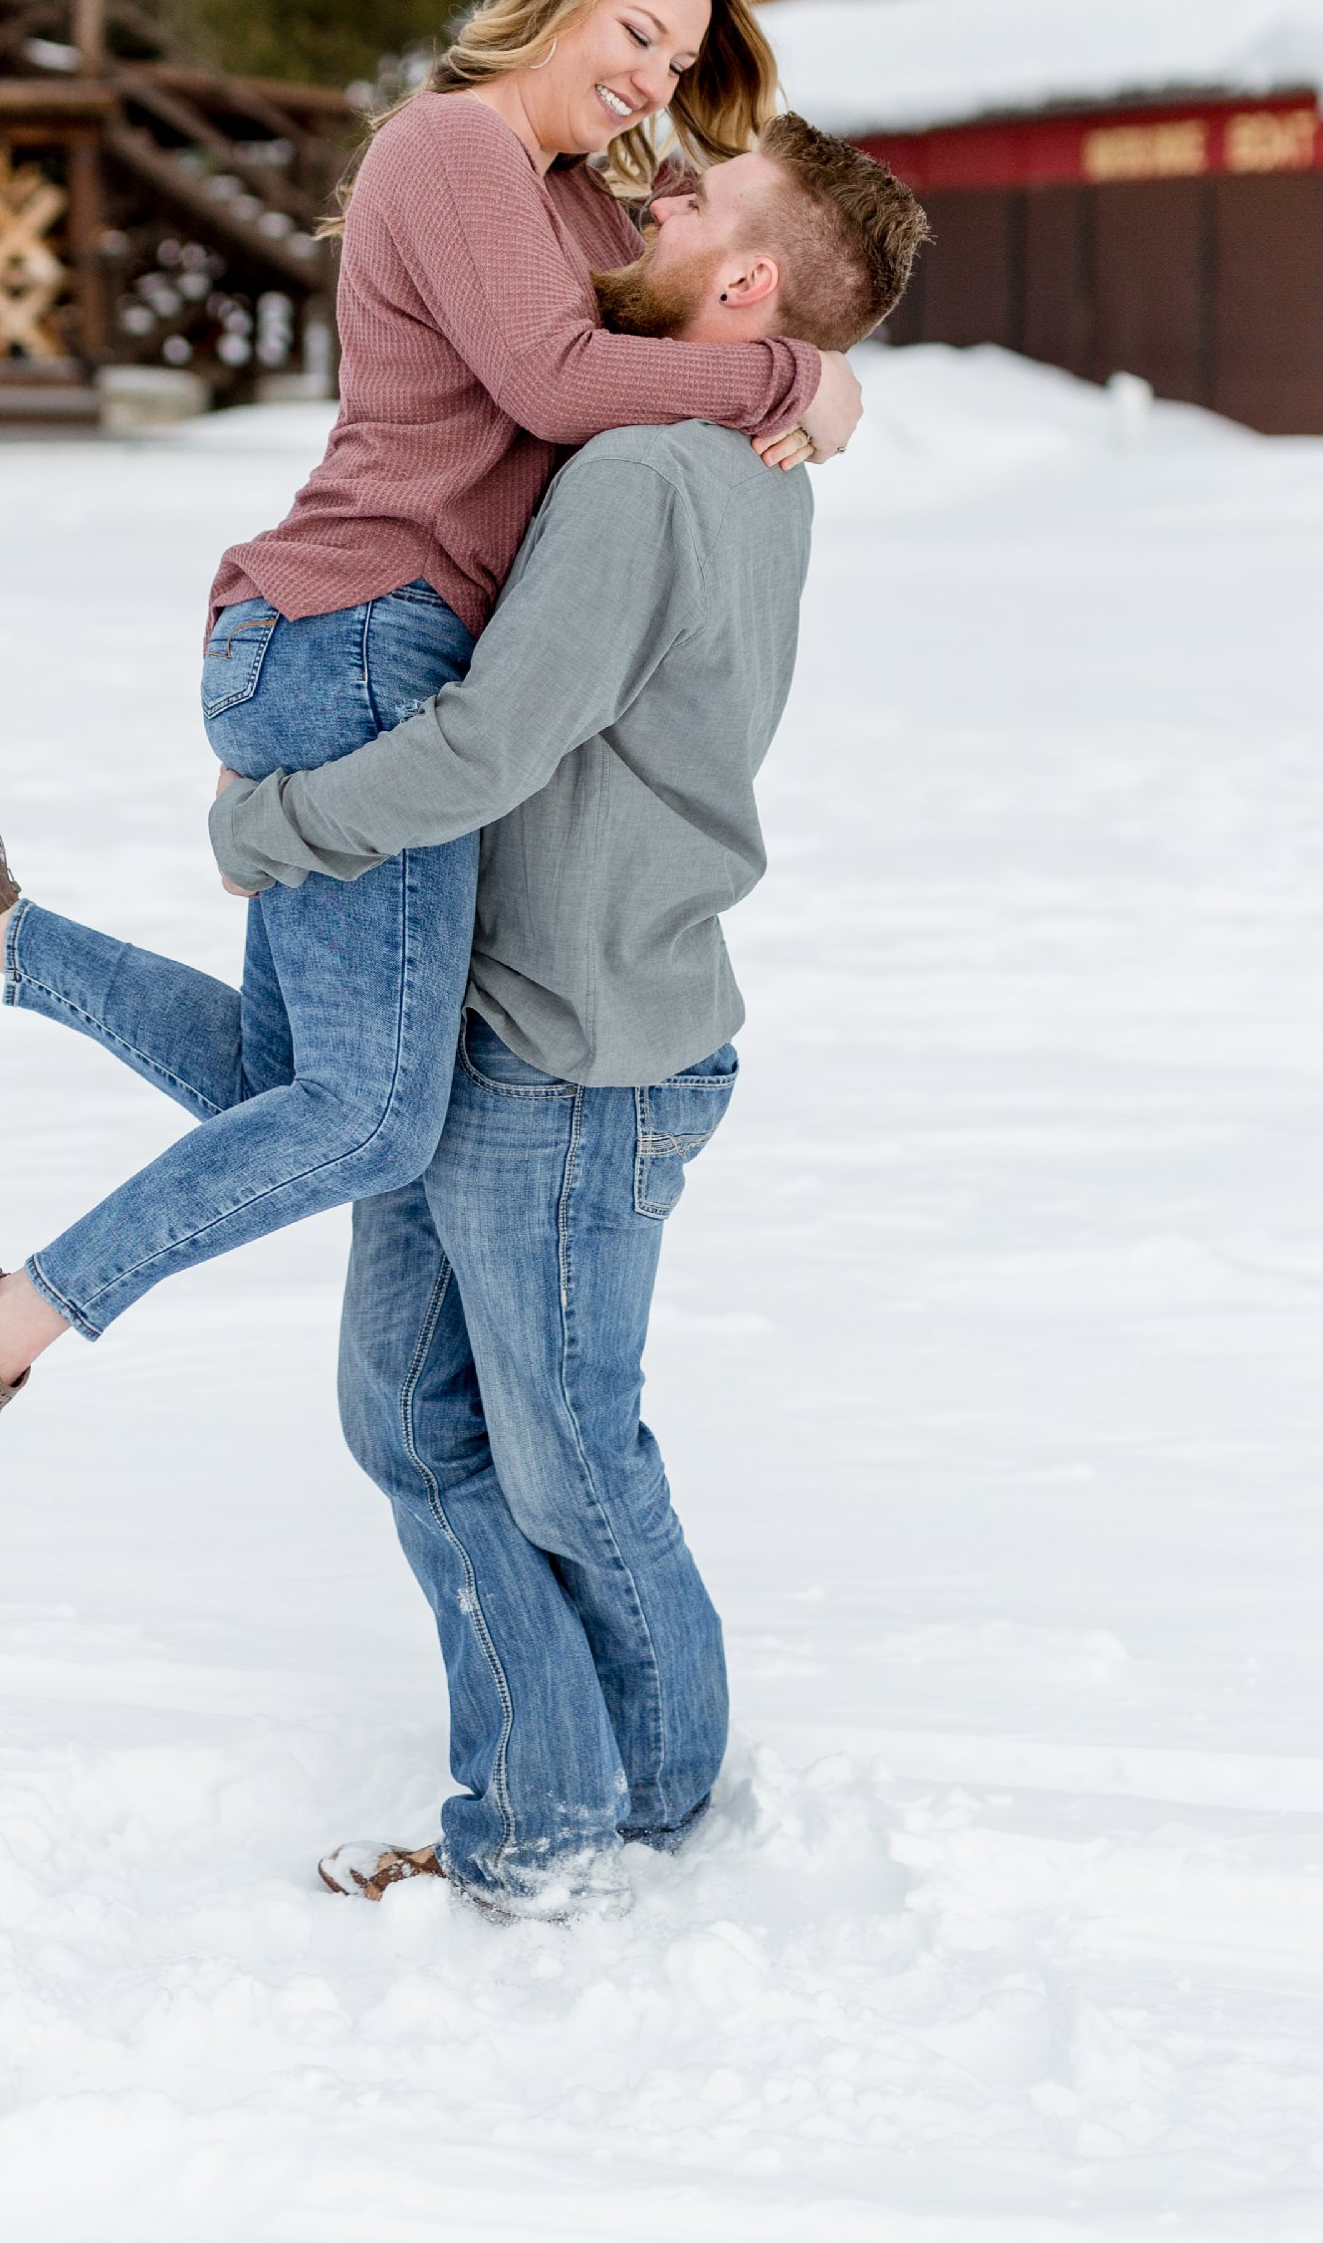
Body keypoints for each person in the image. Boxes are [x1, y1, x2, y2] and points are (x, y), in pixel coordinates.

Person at [0, 0, 862, 1558]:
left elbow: (690, 291)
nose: (653, 80)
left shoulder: (566, 194)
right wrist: (788, 384)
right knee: (371, 1115)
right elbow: (560, 388)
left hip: (372, 639)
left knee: (296, 1081)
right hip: (356, 629)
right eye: (637, 31)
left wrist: (806, 350)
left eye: (683, 58)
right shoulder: (449, 146)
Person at [205, 116, 929, 1909]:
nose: (649, 199)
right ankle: (557, 1775)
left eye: (690, 201)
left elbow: (486, 744)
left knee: (559, 1448)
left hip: (578, 1052)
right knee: (413, 1417)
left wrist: (275, 831)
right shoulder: (745, 446)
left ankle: (636, 1810)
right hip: (515, 1021)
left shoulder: (651, 474)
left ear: (746, 286)